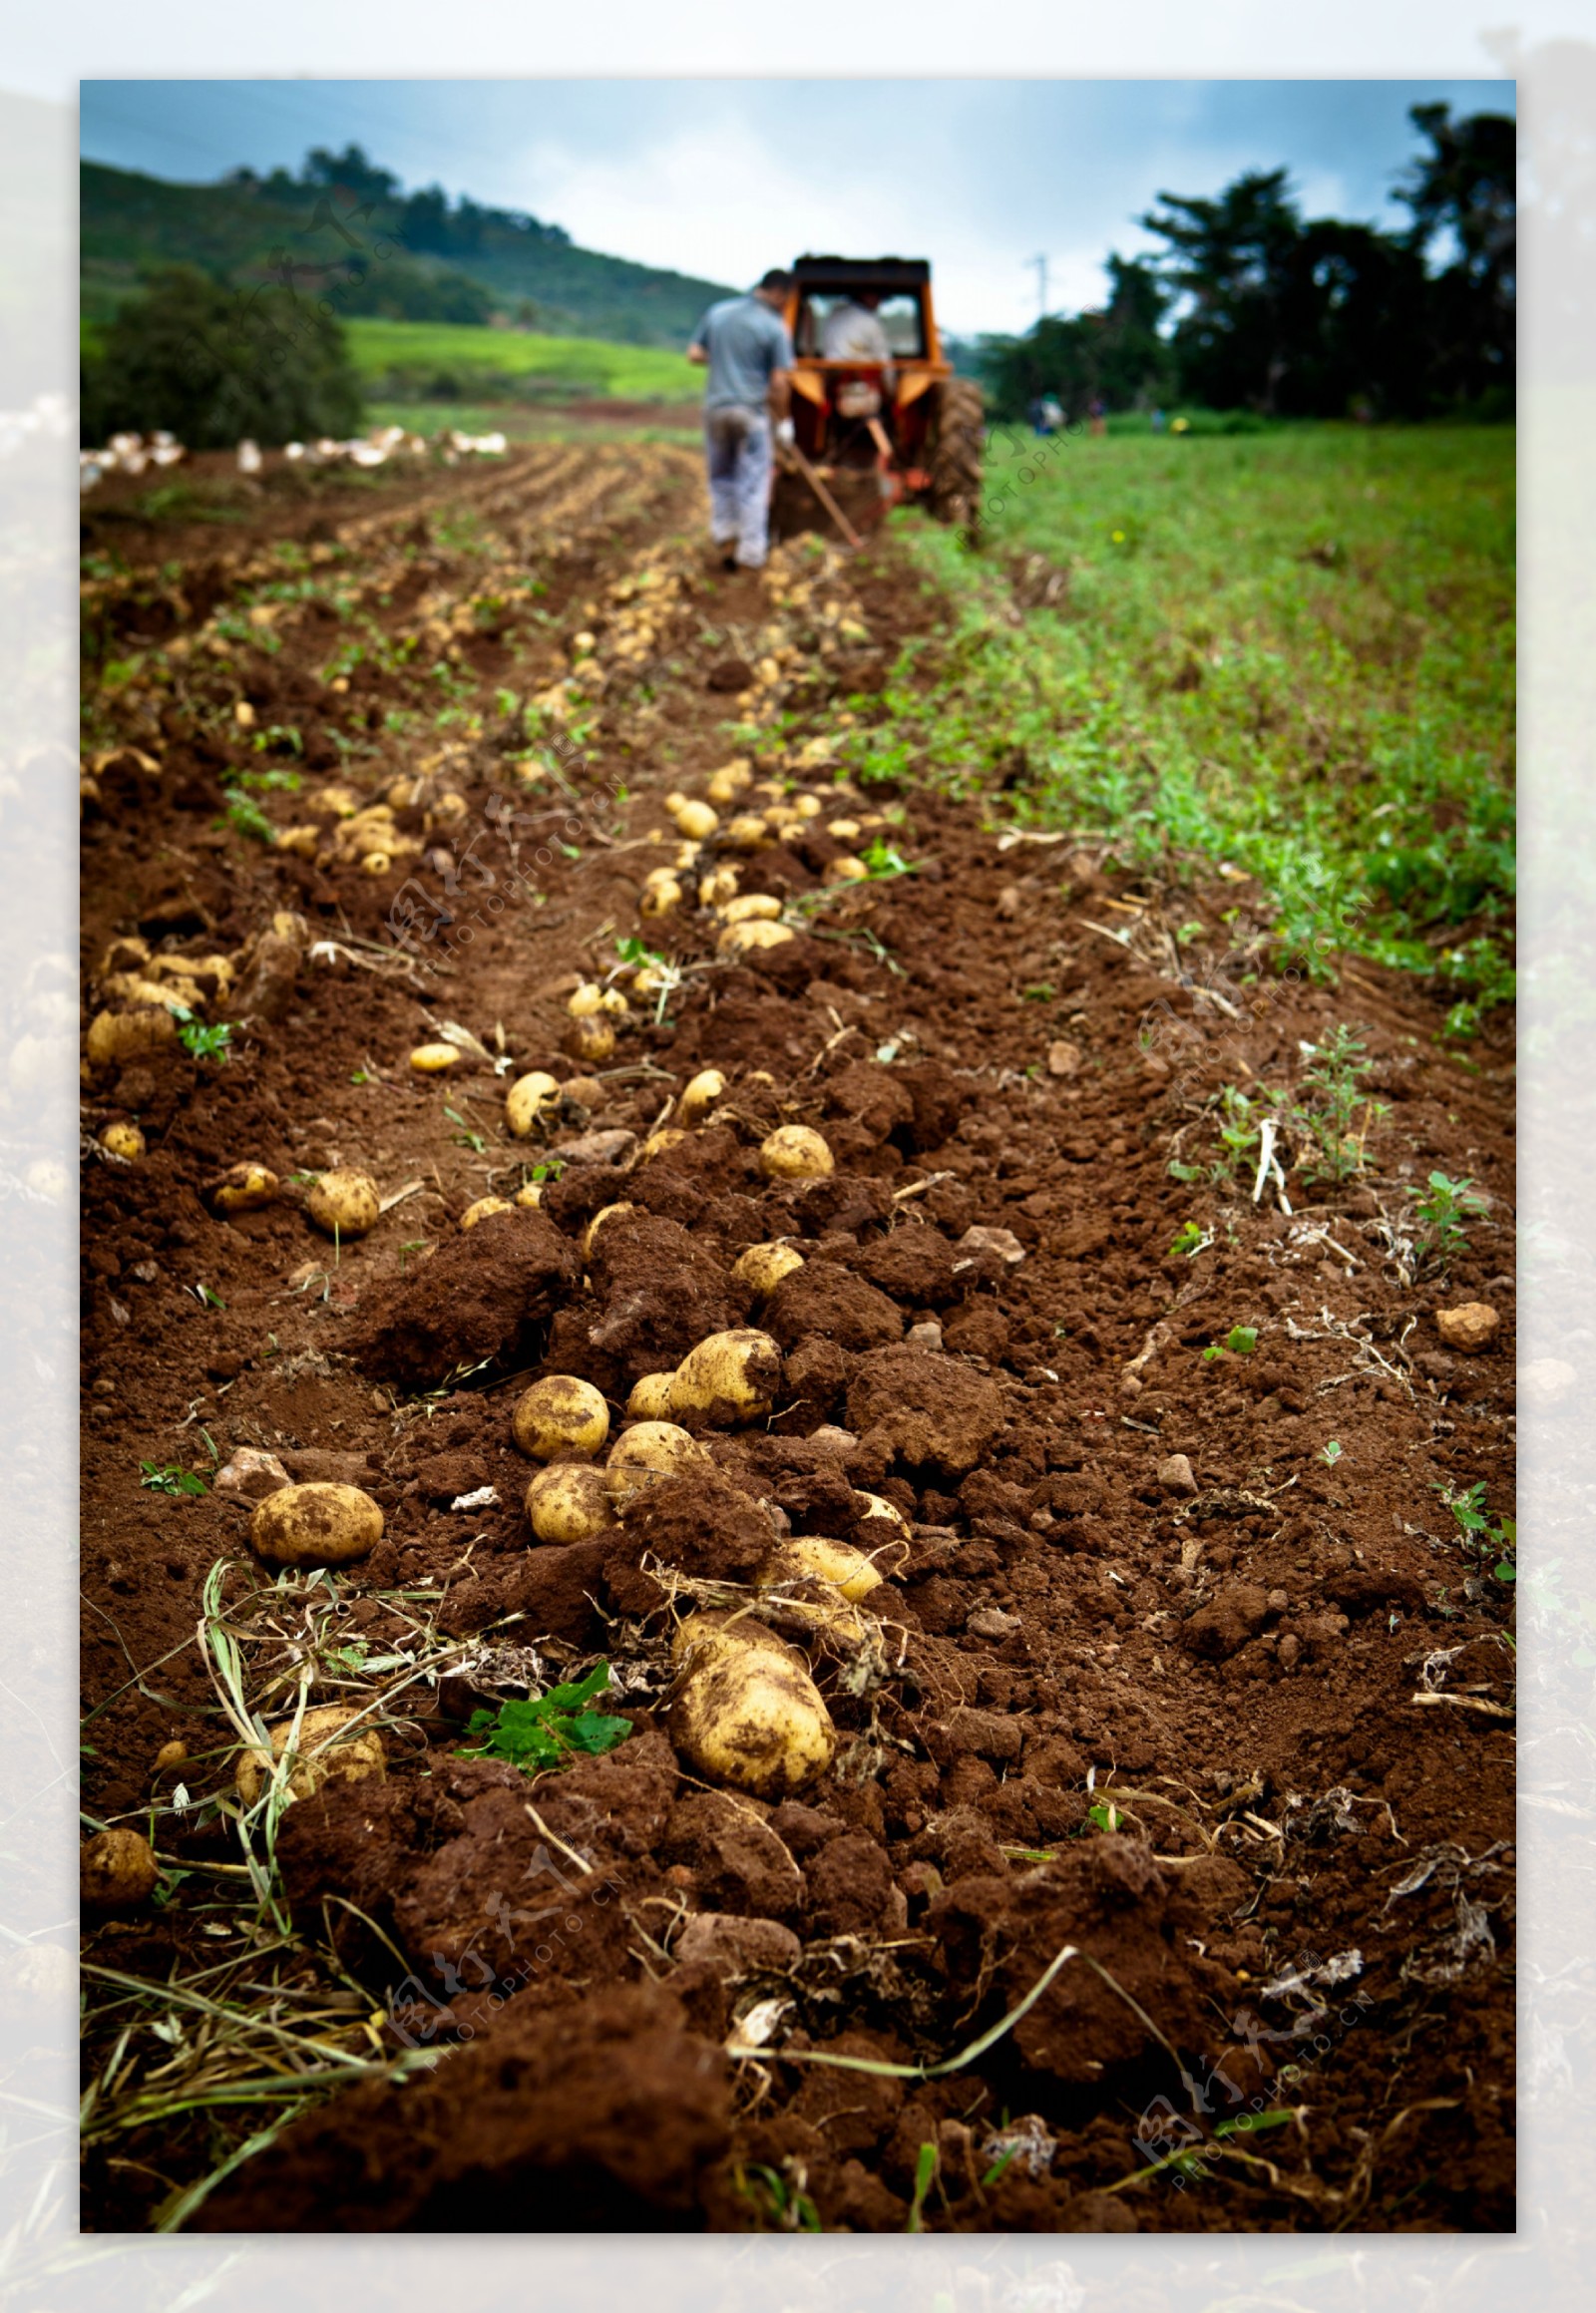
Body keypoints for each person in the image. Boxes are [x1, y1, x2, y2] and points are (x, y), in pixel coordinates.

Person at [686, 268, 795, 572]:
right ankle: (751, 554)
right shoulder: (774, 327)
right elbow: (779, 382)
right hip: (751, 412)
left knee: (721, 476)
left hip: (716, 409)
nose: (786, 305)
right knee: (753, 482)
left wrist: (722, 359)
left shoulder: (719, 313)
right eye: (787, 299)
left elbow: (694, 354)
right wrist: (785, 421)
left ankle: (725, 536)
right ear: (779, 293)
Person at [821, 286, 894, 377]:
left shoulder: (834, 314)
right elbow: (884, 360)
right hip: (858, 377)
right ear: (866, 296)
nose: (879, 302)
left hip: (832, 375)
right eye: (877, 297)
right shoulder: (870, 321)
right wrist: (891, 388)